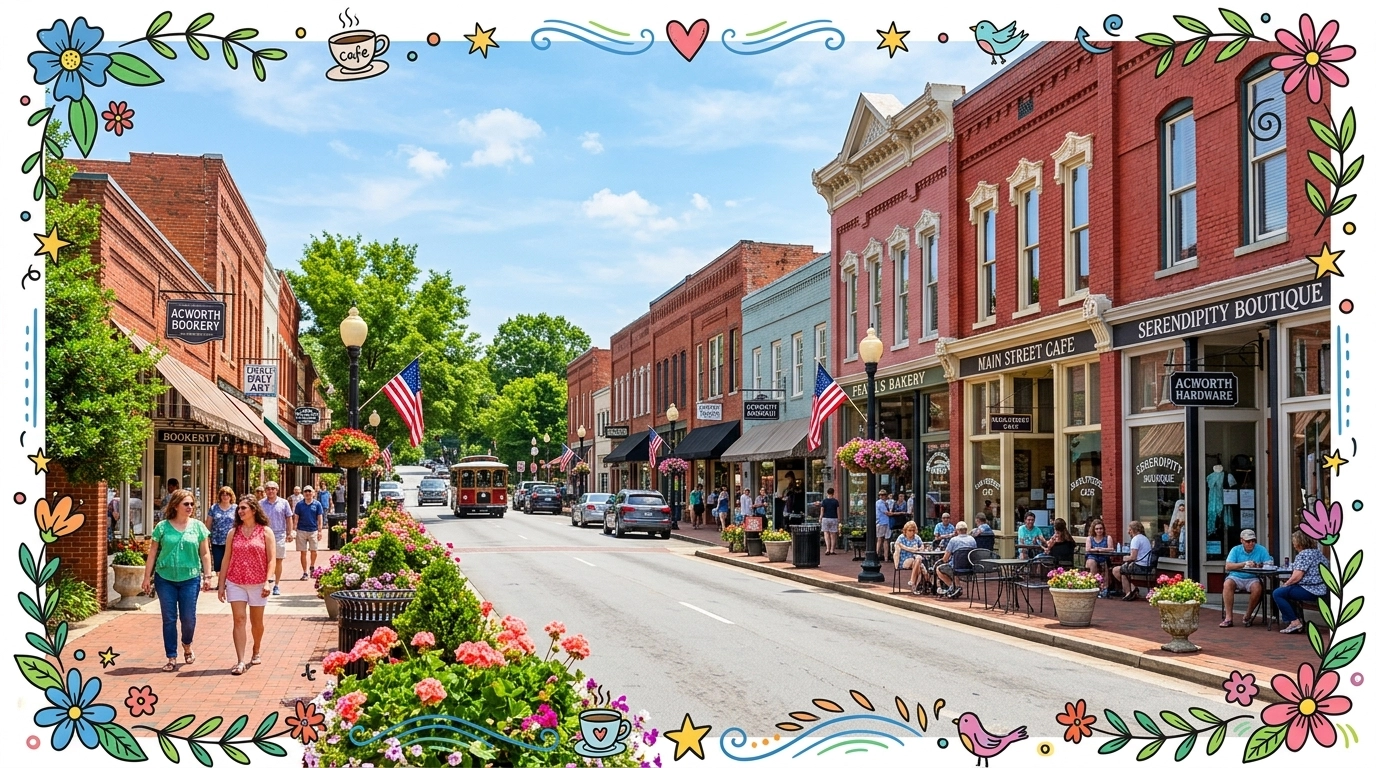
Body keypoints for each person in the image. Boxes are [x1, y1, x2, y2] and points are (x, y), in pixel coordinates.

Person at [141, 489, 212, 672]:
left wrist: (208, 575)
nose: (189, 507)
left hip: (190, 578)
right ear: (175, 505)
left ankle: (187, 644)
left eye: (191, 504)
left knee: (188, 618)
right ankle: (171, 656)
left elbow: (204, 553)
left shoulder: (198, 527)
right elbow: (153, 553)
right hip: (165, 578)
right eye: (186, 504)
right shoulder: (162, 527)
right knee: (169, 618)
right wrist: (146, 577)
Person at [218, 497, 275, 675]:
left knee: (256, 623)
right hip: (236, 582)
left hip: (258, 583)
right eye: (239, 509)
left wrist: (268, 581)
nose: (240, 511)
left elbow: (272, 559)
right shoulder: (233, 533)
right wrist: (221, 585)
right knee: (239, 619)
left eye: (244, 508)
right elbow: (226, 559)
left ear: (254, 510)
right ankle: (240, 661)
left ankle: (256, 649)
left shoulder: (265, 532)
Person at [1276, 530, 1330, 634]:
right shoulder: (1318, 553)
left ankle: (1294, 622)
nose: (1293, 544)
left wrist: (1285, 584)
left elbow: (1297, 576)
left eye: (1294, 541)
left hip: (1311, 590)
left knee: (1278, 593)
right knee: (1287, 592)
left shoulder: (1303, 554)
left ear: (1300, 542)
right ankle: (1297, 620)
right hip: (1322, 589)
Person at [1219, 529, 1273, 627]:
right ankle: (1228, 618)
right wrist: (1244, 564)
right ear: (1242, 541)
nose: (1251, 543)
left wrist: (1259, 565)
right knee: (1227, 584)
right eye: (1248, 541)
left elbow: (1268, 565)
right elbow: (1228, 566)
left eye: (1253, 541)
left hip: (1253, 578)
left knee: (1257, 588)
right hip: (1236, 577)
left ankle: (1248, 615)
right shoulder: (1235, 550)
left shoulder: (1261, 549)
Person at [258, 481, 294, 595]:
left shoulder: (284, 503)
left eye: (273, 489)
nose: (270, 491)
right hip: (263, 534)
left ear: (277, 490)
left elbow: (289, 518)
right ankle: (265, 581)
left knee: (278, 560)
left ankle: (277, 585)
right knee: (263, 560)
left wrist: (290, 532)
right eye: (268, 489)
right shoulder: (260, 504)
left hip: (279, 535)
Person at [1112, 521, 1155, 601]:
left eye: (1130, 530)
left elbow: (1133, 557)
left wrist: (1125, 558)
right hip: (1147, 565)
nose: (1128, 532)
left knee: (1118, 570)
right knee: (1122, 569)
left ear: (1133, 530)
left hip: (1140, 566)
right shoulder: (1145, 538)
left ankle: (1128, 593)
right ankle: (1133, 589)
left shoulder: (1135, 539)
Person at [936, 521, 976, 599]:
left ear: (957, 530)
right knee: (955, 566)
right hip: (970, 568)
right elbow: (974, 554)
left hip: (956, 568)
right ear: (966, 530)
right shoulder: (972, 540)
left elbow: (945, 558)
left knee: (939, 569)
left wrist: (944, 560)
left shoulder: (953, 540)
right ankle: (957, 587)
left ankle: (953, 586)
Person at [294, 486, 326, 579]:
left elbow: (320, 518)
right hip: (301, 530)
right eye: (306, 492)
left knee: (314, 551)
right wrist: (294, 530)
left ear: (313, 493)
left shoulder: (317, 504)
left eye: (309, 491)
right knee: (303, 552)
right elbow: (296, 518)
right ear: (303, 493)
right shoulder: (299, 505)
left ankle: (312, 566)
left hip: (313, 530)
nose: (307, 493)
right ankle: (305, 572)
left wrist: (320, 531)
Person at [207, 486, 238, 576]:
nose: (225, 497)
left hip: (232, 540)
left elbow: (239, 523)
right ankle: (220, 582)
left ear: (231, 496)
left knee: (230, 561)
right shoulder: (214, 508)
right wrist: (207, 537)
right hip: (217, 540)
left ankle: (228, 582)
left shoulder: (236, 508)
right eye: (223, 495)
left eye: (227, 495)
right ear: (220, 496)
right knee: (218, 562)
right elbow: (208, 523)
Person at [1084, 518, 1117, 596]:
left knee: (1105, 563)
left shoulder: (1107, 538)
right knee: (1092, 562)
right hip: (1092, 557)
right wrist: (1096, 550)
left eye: (1101, 528)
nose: (1099, 530)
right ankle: (1093, 585)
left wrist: (1101, 549)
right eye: (1097, 529)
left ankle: (1104, 588)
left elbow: (1111, 549)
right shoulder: (1090, 538)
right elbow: (1088, 549)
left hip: (1103, 557)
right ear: (1094, 530)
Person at [894, 521, 929, 594]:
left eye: (913, 530)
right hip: (904, 560)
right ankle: (917, 583)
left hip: (915, 559)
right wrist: (911, 549)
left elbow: (922, 546)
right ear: (905, 530)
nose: (911, 532)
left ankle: (913, 585)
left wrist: (918, 549)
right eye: (909, 530)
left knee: (918, 560)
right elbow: (897, 546)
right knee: (920, 564)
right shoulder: (901, 537)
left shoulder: (917, 538)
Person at [820, 487, 841, 555]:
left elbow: (822, 511)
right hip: (833, 518)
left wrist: (820, 518)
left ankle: (827, 549)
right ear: (833, 493)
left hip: (825, 518)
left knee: (826, 534)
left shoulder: (824, 501)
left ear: (827, 493)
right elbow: (837, 511)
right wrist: (839, 519)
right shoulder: (835, 501)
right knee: (833, 535)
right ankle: (832, 550)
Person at [875, 490, 893, 562]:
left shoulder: (886, 503)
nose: (882, 496)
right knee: (880, 539)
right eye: (880, 495)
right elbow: (887, 513)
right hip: (881, 522)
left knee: (886, 540)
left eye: (883, 495)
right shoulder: (879, 503)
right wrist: (898, 513)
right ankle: (876, 556)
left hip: (886, 522)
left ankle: (886, 557)